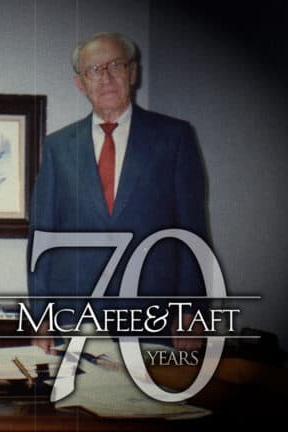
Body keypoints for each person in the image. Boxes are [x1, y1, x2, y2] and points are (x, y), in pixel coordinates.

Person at [26, 32, 208, 352]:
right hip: (75, 314)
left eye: (115, 65)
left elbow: (193, 232)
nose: (106, 77)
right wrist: (41, 314)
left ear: (133, 73)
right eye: (94, 70)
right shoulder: (57, 146)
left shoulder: (174, 137)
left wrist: (189, 310)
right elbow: (42, 235)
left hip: (153, 314)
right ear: (80, 83)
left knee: (152, 401)